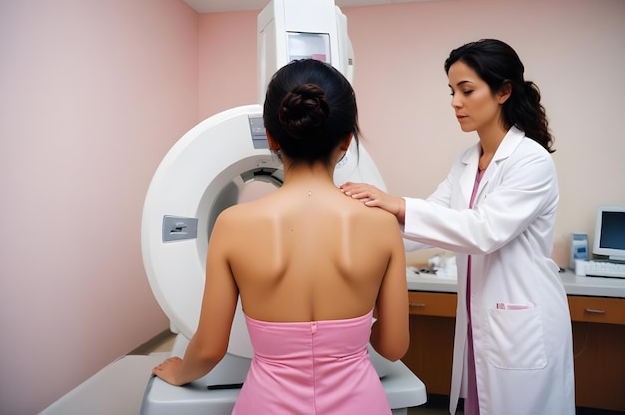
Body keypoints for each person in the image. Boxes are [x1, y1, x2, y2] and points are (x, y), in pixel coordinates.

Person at [152, 58, 410, 414]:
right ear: (347, 141)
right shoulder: (382, 225)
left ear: (271, 136)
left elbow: (210, 348)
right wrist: (345, 342)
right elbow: (394, 347)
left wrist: (181, 374)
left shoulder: (232, 226)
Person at [341, 39, 575, 415]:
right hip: (481, 321)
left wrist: (396, 203)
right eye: (452, 91)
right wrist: (362, 231)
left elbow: (482, 231)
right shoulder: (467, 160)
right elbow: (430, 220)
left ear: (503, 91)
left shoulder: (531, 161)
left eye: (467, 90)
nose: (455, 102)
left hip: (521, 322)